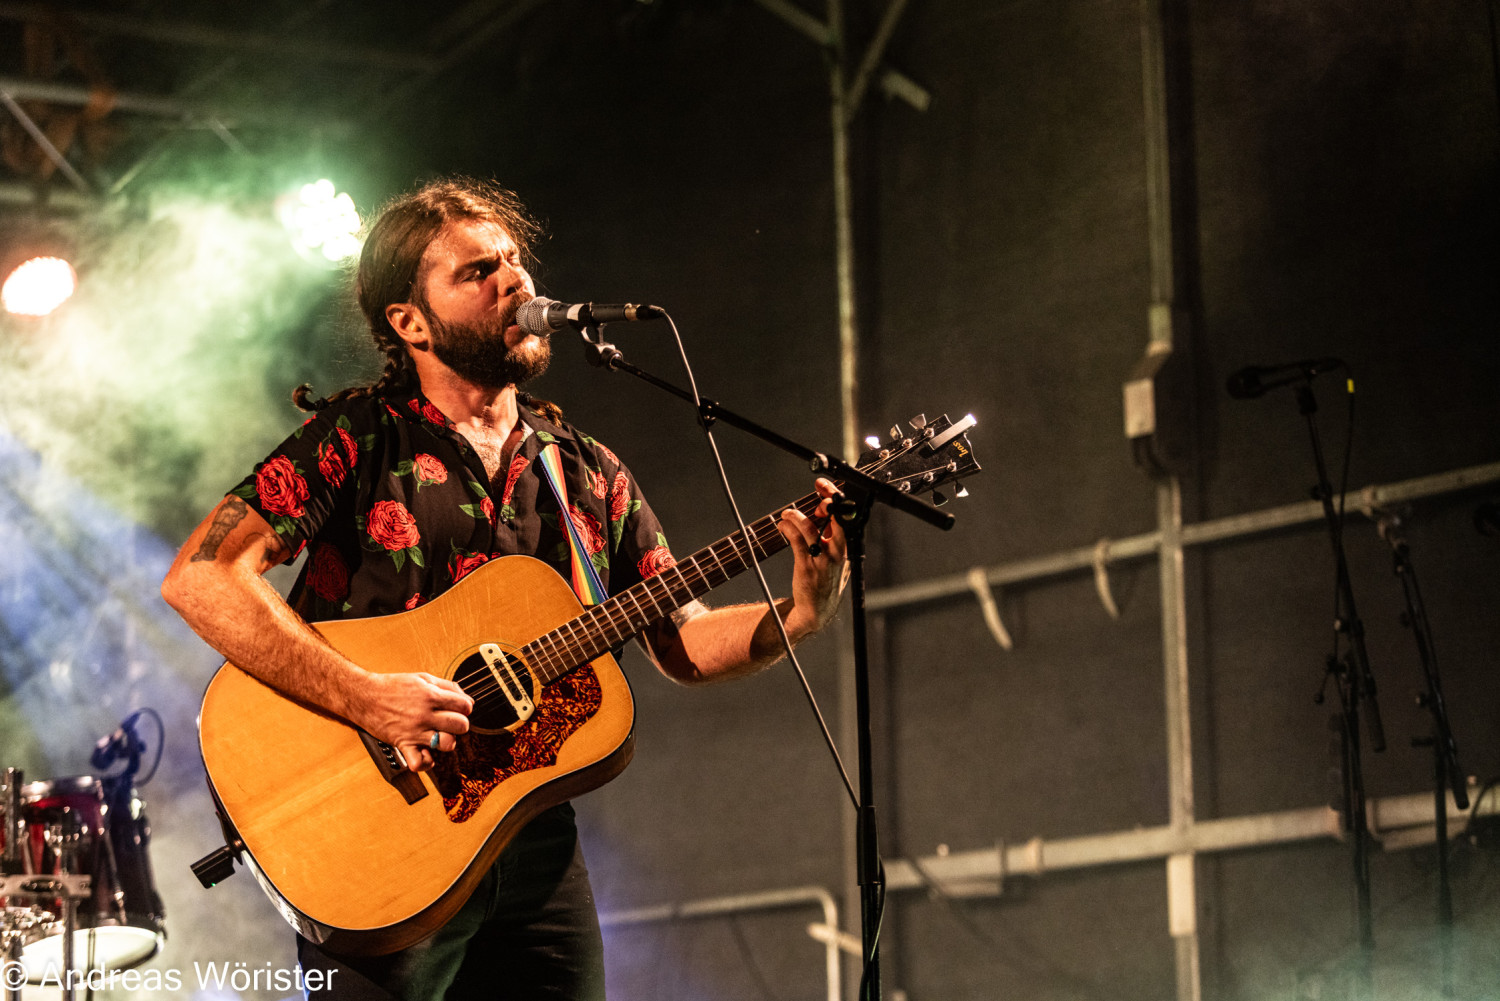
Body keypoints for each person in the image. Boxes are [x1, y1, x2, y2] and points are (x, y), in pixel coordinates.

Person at [160, 177, 848, 1000]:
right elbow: (202, 576)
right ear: (409, 322)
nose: (513, 282)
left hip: (530, 837)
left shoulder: (584, 468)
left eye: (514, 262)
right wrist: (367, 696)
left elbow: (681, 639)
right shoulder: (358, 439)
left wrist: (799, 615)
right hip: (380, 835)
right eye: (477, 272)